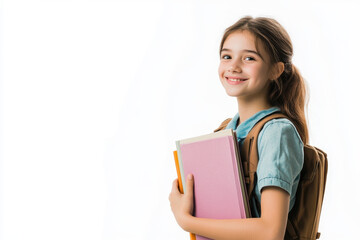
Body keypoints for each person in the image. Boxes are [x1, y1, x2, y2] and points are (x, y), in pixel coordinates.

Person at [169, 16, 307, 240]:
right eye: (227, 56)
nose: (233, 66)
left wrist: (187, 221)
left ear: (276, 70)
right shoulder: (227, 130)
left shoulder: (276, 133)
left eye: (249, 58)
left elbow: (270, 232)